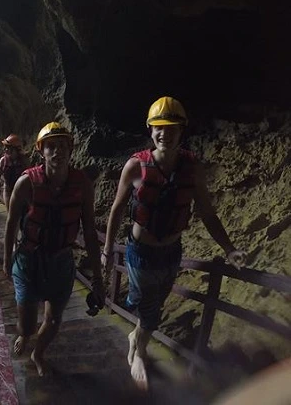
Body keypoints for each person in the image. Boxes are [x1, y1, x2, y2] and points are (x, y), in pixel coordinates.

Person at [103, 96, 246, 390]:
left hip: (171, 252)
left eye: (171, 128)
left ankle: (135, 336)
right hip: (140, 252)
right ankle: (140, 353)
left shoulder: (192, 169)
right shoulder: (135, 167)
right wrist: (107, 251)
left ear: (182, 131)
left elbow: (206, 212)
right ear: (150, 130)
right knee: (149, 307)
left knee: (153, 304)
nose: (164, 134)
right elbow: (117, 210)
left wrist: (229, 248)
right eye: (158, 128)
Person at [4, 122, 104, 377]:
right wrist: (7, 261)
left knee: (54, 319)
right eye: (51, 146)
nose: (57, 151)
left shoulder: (82, 185)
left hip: (61, 260)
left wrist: (98, 277)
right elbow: (11, 223)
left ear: (71, 150)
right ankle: (26, 336)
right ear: (42, 151)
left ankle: (39, 352)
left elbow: (90, 232)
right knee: (26, 324)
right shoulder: (26, 183)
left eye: (62, 146)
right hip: (29, 259)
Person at [0, 134, 31, 208]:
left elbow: (30, 176)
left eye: (8, 148)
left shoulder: (24, 160)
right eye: (5, 147)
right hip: (8, 190)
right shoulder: (3, 160)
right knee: (11, 213)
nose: (5, 150)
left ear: (16, 149)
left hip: (22, 191)